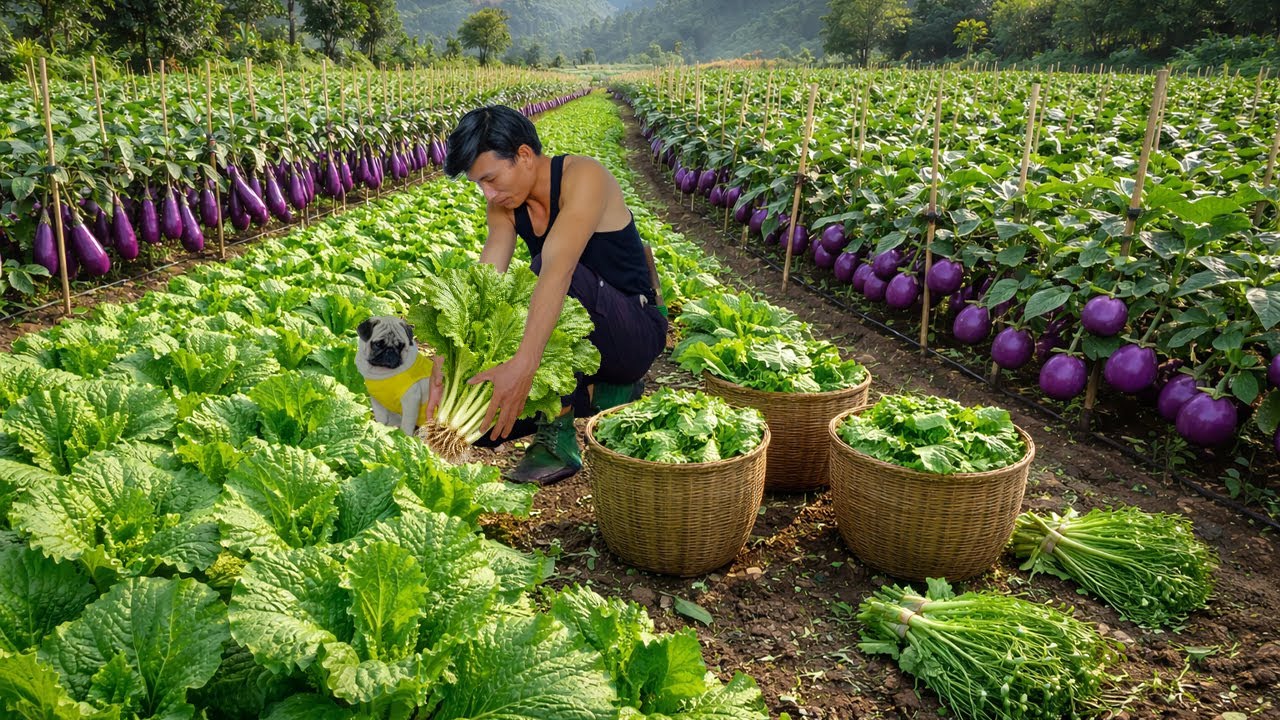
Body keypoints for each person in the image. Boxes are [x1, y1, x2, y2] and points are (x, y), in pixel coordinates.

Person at [427, 104, 668, 485]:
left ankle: (558, 438)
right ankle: (601, 391)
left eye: (490, 178)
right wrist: (450, 358)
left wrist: (522, 369)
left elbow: (557, 273)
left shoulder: (585, 177)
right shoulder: (502, 207)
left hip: (632, 330)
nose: (487, 192)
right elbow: (485, 284)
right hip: (577, 336)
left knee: (541, 273)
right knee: (487, 425)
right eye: (479, 185)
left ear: (523, 155)